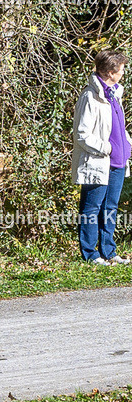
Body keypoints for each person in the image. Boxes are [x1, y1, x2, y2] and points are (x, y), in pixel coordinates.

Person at [72, 48, 131, 265]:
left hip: (118, 163)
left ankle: (108, 250)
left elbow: (118, 127)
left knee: (110, 207)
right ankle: (90, 253)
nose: (123, 73)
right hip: (98, 162)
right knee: (91, 209)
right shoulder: (90, 96)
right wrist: (107, 149)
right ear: (109, 72)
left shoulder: (115, 94)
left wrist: (127, 145)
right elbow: (82, 134)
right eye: (121, 69)